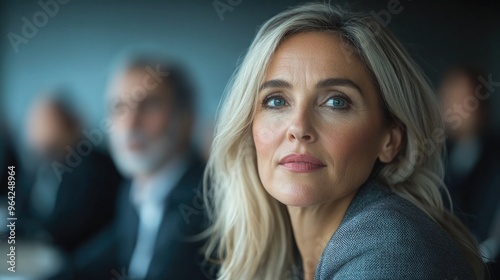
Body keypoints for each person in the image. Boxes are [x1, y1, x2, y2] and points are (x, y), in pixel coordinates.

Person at [203, 3, 485, 280]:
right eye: (276, 101)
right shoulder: (298, 258)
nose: (299, 128)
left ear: (390, 140)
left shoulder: (392, 250)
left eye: (336, 101)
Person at [73, 55, 210, 280]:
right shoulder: (133, 189)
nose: (130, 123)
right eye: (118, 107)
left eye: (150, 105)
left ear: (186, 119)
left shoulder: (210, 200)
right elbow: (96, 260)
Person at [17, 93, 122, 253]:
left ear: (72, 125)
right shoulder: (38, 164)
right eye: (34, 124)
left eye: (47, 123)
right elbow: (20, 213)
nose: (36, 133)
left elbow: (77, 228)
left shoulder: (98, 169)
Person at [440, 66, 500, 274]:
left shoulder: (494, 158)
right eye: (450, 99)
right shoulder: (437, 154)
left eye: (463, 100)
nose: (455, 108)